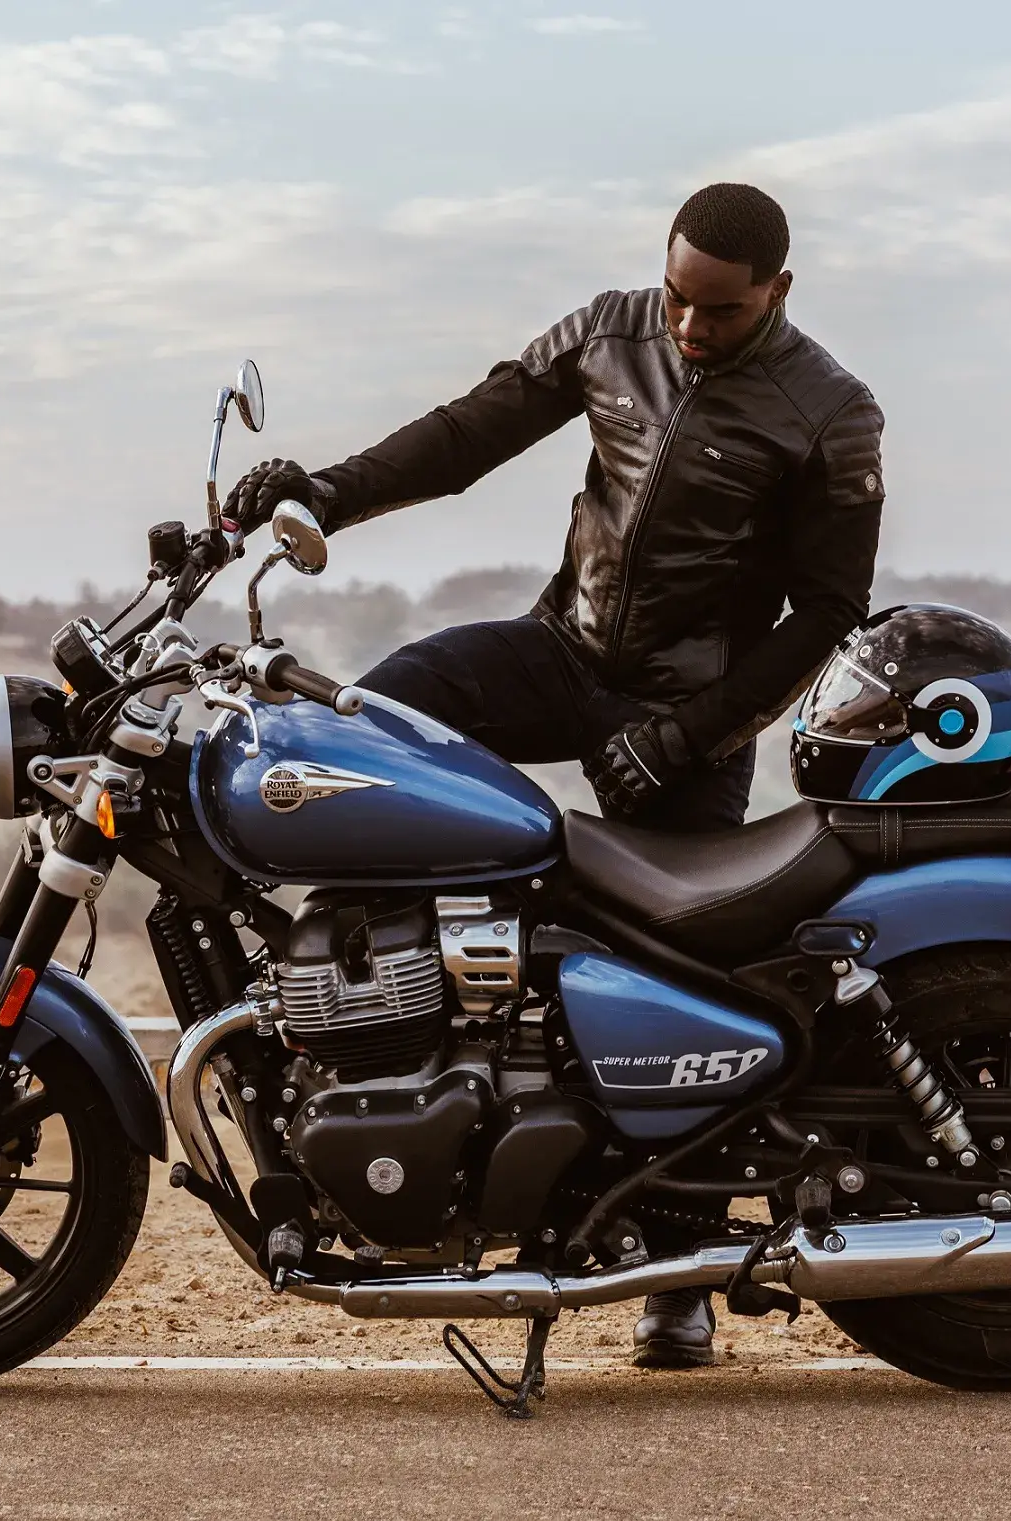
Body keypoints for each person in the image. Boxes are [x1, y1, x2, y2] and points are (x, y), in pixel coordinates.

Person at [224, 181, 884, 1368]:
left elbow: (828, 610)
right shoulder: (611, 330)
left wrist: (684, 738)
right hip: (559, 653)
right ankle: (383, 1039)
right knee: (371, 738)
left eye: (721, 311)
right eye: (678, 299)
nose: (690, 327)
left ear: (779, 292)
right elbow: (466, 435)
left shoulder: (829, 411)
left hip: (690, 711)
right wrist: (321, 490)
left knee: (687, 977)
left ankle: (677, 1277)